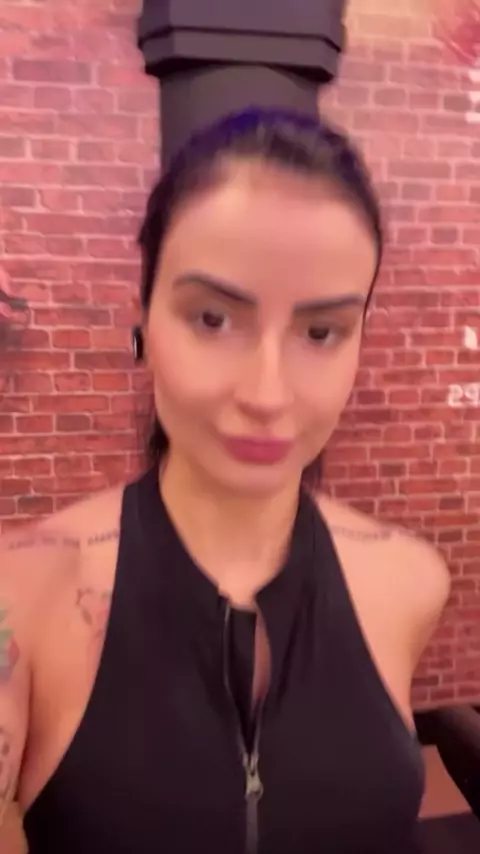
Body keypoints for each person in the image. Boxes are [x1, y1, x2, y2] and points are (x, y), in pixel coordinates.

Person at [1, 108, 450, 854]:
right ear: (144, 322)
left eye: (321, 332)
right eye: (212, 318)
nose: (267, 394)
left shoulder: (410, 582)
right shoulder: (24, 595)